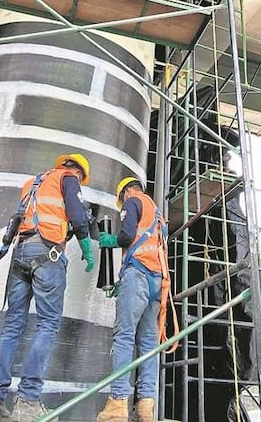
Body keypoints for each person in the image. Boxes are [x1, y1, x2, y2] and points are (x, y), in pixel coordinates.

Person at [0, 154, 96, 422]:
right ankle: (28, 401)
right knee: (48, 325)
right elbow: (77, 214)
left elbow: (18, 218)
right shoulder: (69, 179)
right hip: (47, 254)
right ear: (78, 171)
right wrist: (86, 246)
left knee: (12, 326)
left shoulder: (33, 183)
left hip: (20, 251)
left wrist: (5, 242)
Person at [95, 177, 170, 422]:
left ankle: (118, 404)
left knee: (125, 336)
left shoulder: (133, 201)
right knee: (149, 343)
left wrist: (110, 240)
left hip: (137, 273)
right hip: (157, 281)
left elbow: (127, 236)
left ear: (126, 191)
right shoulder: (157, 212)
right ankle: (146, 408)